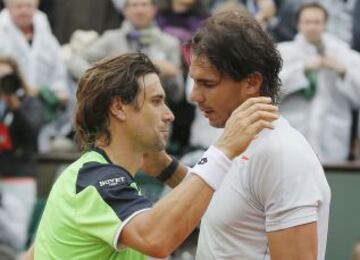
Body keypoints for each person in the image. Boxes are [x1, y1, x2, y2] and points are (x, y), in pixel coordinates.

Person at [28, 53, 278, 259]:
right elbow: (156, 239)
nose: (169, 114)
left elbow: (35, 252)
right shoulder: (95, 179)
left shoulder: (90, 175)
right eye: (157, 101)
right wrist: (222, 149)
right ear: (118, 108)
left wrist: (167, 169)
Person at [144, 10, 331, 259]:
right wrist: (163, 167)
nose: (194, 96)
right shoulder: (233, 137)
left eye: (207, 84)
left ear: (251, 83)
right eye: (194, 82)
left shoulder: (282, 154)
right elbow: (227, 200)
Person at [278, 2, 360, 162]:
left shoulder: (343, 52)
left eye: (317, 22)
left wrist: (343, 72)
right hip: (294, 133)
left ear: (325, 24)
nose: (312, 27)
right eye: (307, 22)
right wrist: (302, 70)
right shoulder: (283, 52)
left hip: (332, 140)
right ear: (298, 24)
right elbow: (270, 91)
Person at [0, 57, 44, 252]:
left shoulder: (29, 102)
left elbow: (32, 131)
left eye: (6, 77)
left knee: (16, 239)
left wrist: (14, 104)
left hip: (19, 179)